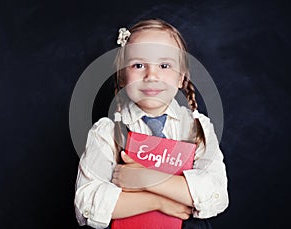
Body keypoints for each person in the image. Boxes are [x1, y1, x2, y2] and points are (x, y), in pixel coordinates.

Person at [74, 18, 229, 229]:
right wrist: (160, 201)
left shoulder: (197, 128)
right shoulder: (106, 133)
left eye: (164, 65)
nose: (151, 75)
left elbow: (215, 193)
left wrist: (144, 178)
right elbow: (86, 203)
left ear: (181, 77)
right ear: (122, 76)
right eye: (138, 65)